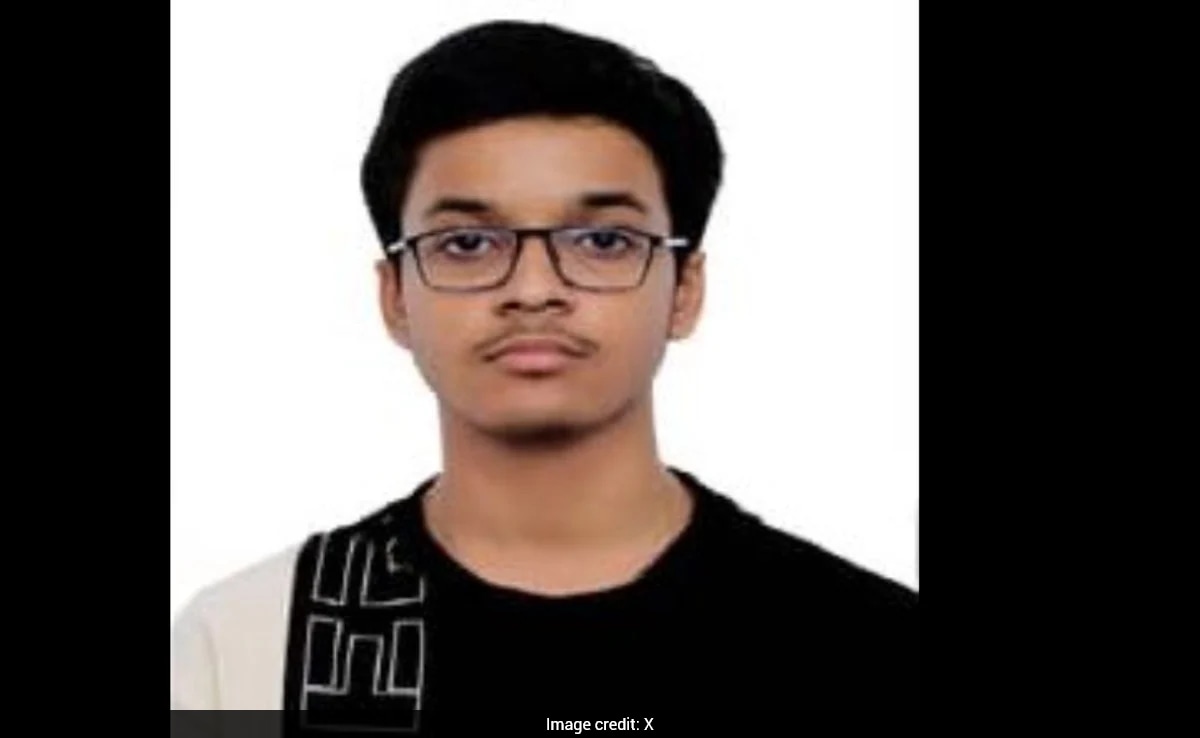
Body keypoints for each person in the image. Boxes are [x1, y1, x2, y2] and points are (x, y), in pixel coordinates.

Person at [171, 19, 918, 728]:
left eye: (603, 240)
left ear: (684, 289)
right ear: (395, 296)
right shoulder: (250, 646)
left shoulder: (872, 645)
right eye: (467, 243)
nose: (534, 290)